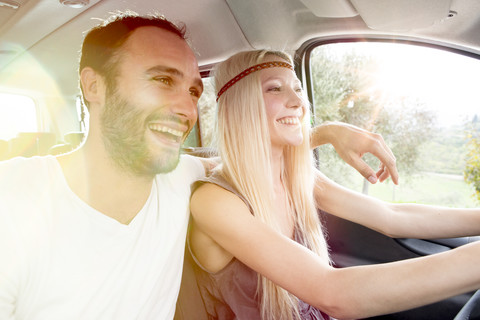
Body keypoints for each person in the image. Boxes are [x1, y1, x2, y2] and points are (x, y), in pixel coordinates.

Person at [0, 12, 399, 320]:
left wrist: (326, 132)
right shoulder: (14, 201)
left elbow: (242, 154)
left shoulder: (182, 177)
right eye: (162, 80)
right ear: (94, 87)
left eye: (194, 90)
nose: (187, 108)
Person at [188, 49, 480, 320]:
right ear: (238, 105)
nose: (298, 102)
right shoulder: (215, 202)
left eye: (298, 89)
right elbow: (332, 292)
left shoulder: (298, 178)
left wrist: (327, 132)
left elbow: (393, 217)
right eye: (275, 88)